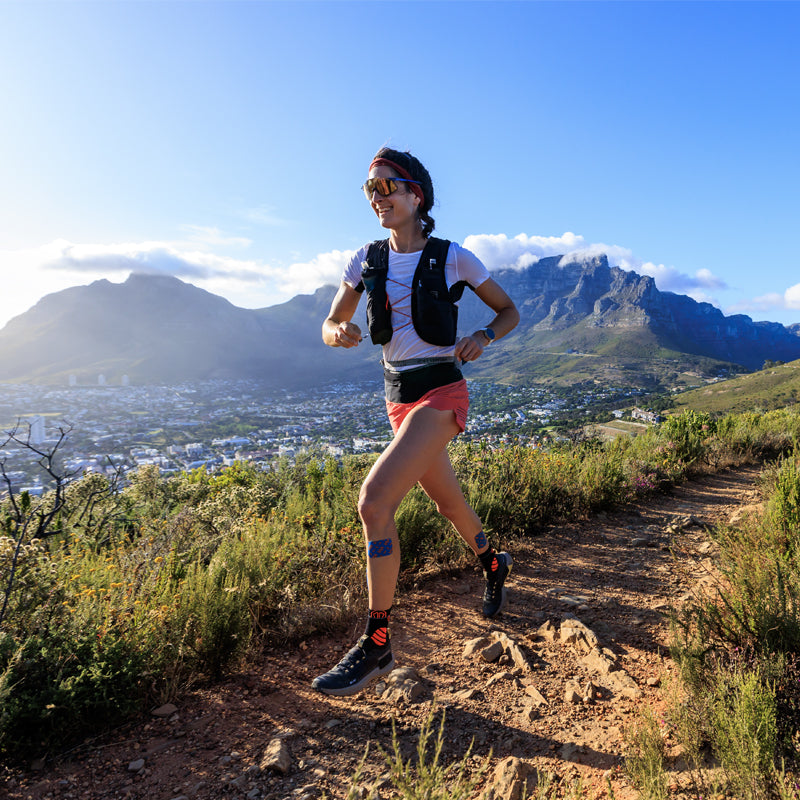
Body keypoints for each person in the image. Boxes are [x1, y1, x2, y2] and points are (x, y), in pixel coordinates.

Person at [312, 147, 520, 697]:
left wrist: (483, 337)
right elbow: (332, 321)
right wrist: (340, 333)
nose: (377, 198)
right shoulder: (365, 259)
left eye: (387, 188)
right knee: (447, 501)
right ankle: (492, 560)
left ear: (415, 196)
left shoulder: (454, 258)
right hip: (397, 397)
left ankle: (377, 642)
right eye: (369, 189)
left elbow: (508, 310)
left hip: (442, 391)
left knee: (374, 502)